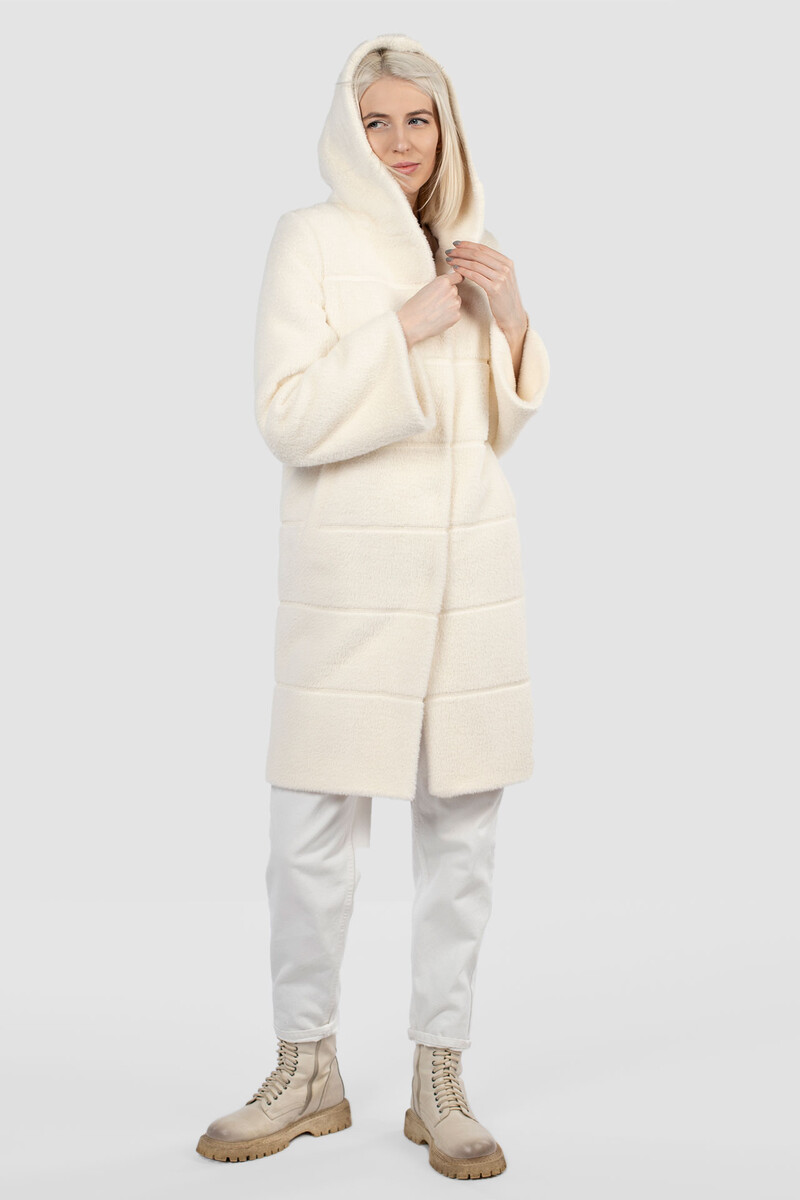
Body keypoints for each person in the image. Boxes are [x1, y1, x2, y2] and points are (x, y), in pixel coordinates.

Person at [196, 31, 550, 1181]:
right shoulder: (309, 240)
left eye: (418, 119)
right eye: (377, 121)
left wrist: (509, 319)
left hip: (467, 581)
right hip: (350, 581)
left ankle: (438, 1078)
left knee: (462, 836)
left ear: (448, 128)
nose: (399, 141)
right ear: (347, 133)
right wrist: (403, 327)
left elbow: (490, 428)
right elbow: (284, 415)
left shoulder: (470, 249)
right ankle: (305, 1069)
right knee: (309, 838)